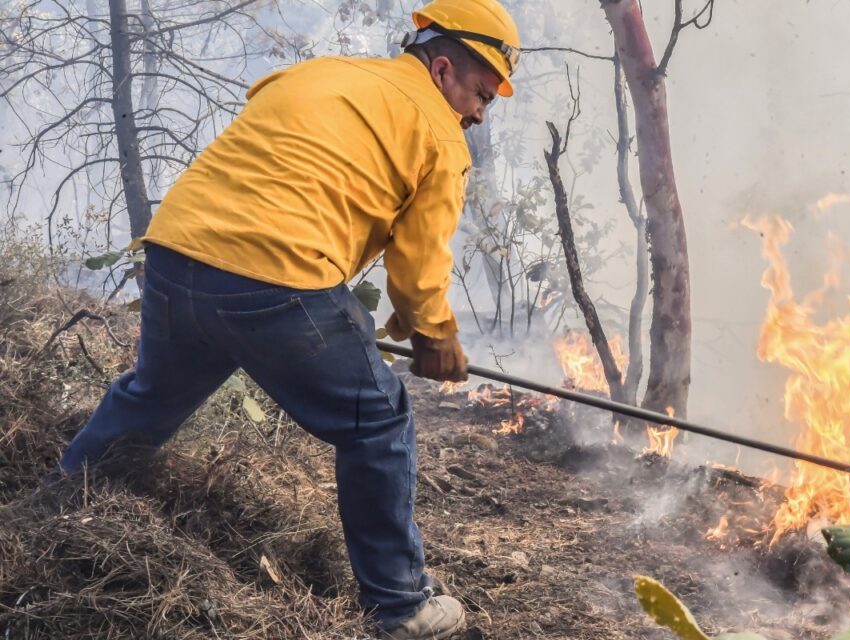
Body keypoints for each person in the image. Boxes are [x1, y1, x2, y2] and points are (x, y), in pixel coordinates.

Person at [57, 0, 520, 637]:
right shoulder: (438, 135)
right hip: (277, 275)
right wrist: (436, 334)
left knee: (152, 396)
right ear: (442, 70)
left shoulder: (321, 73)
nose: (476, 113)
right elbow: (417, 272)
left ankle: (59, 503)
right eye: (480, 93)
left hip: (176, 251)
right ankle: (403, 605)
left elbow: (269, 136)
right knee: (379, 420)